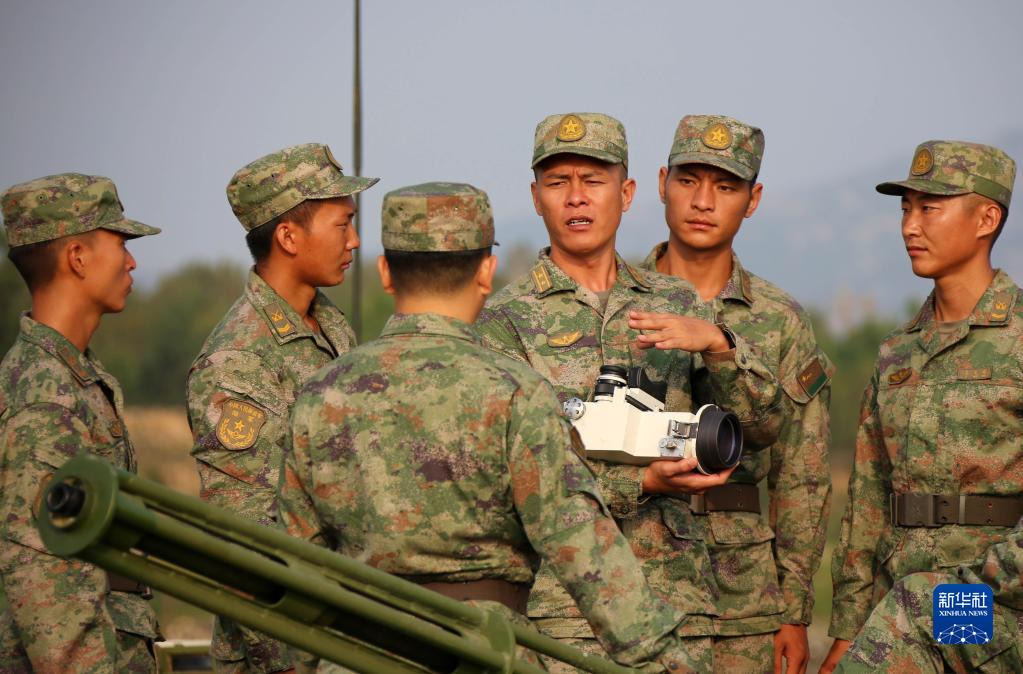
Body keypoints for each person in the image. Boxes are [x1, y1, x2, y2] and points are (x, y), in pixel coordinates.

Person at [278, 181, 699, 673]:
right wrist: (669, 665)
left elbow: (294, 563)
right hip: (481, 653)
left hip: (357, 654)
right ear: (486, 271)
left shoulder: (320, 394)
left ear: (386, 272)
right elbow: (585, 550)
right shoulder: (516, 392)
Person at [476, 112, 782, 672]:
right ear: (536, 198)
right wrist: (640, 482)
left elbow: (758, 432)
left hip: (676, 604)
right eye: (557, 182)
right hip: (563, 613)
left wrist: (718, 346)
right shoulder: (503, 320)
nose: (575, 197)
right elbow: (508, 472)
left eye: (592, 181)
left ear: (627, 193)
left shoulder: (677, 302)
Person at [641, 115, 832, 674]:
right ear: (662, 184)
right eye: (688, 181)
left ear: (753, 200)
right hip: (634, 580)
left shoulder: (781, 320)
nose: (703, 201)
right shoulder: (617, 302)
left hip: (742, 597)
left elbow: (802, 474)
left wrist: (794, 612)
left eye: (726, 187)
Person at [821, 140, 1019, 672]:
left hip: (994, 606)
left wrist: (978, 587)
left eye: (929, 209)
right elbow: (867, 501)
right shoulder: (897, 351)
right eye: (905, 209)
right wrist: (848, 629)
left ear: (986, 219)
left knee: (916, 618)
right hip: (900, 602)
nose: (910, 226)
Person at [186, 143, 377, 674]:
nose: (355, 240)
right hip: (290, 649)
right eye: (343, 224)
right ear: (289, 237)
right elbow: (245, 543)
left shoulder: (330, 326)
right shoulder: (239, 360)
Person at [0, 173, 162, 673]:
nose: (132, 262)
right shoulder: (45, 397)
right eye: (121, 244)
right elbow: (50, 587)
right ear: (77, 257)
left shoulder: (73, 377)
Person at [836, 520, 1023, 673]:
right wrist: (848, 627)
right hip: (899, 562)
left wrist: (969, 581)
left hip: (1002, 596)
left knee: (920, 600)